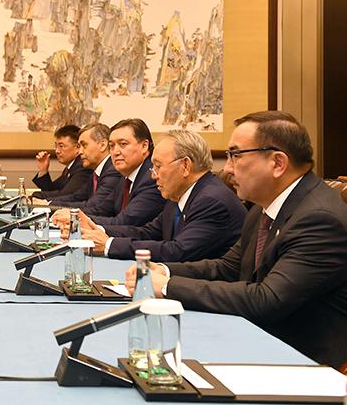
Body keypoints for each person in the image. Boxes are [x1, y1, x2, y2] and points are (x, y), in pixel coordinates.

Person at [126, 111, 347, 369]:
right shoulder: (263, 208)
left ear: (277, 163)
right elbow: (228, 267)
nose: (228, 168)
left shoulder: (319, 219)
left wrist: (167, 287)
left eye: (236, 155)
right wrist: (163, 270)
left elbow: (267, 299)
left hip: (303, 362)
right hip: (258, 339)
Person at [80, 130, 246, 262]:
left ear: (185, 165)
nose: (153, 175)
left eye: (158, 167)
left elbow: (177, 251)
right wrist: (98, 230)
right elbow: (148, 232)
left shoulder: (211, 201)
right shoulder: (180, 195)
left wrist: (109, 245)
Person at [81, 118, 166, 227]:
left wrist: (78, 220)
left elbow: (123, 222)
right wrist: (72, 216)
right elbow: (101, 210)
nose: (115, 152)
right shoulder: (126, 177)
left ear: (144, 146)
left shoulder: (152, 178)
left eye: (123, 144)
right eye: (112, 146)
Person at [49, 123, 122, 224]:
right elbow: (76, 196)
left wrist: (64, 211)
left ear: (102, 145)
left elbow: (93, 206)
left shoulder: (113, 171)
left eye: (84, 145)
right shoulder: (96, 172)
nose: (80, 152)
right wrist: (48, 204)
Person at [31, 124, 92, 202]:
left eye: (61, 146)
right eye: (56, 146)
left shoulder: (83, 167)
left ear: (77, 147)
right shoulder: (70, 167)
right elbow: (51, 190)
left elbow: (66, 196)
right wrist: (43, 170)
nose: (57, 151)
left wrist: (37, 196)